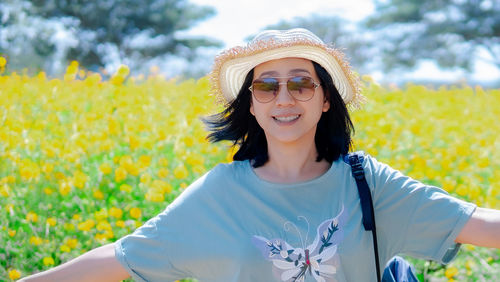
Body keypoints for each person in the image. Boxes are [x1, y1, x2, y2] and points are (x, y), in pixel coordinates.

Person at [20, 28, 500, 282]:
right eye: (267, 86)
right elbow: (121, 257)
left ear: (326, 98)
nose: (284, 98)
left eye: (302, 83)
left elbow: (478, 225)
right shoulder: (220, 194)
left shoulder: (368, 183)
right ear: (251, 103)